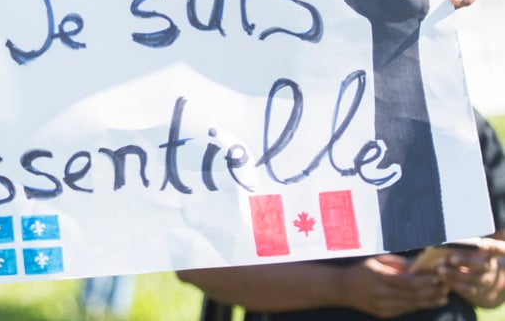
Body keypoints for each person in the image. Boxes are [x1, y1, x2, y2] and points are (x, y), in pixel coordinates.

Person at [178, 107, 505, 321]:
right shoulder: (248, 128)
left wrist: (487, 282)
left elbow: (499, 265)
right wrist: (340, 286)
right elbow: (200, 267)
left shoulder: (455, 124)